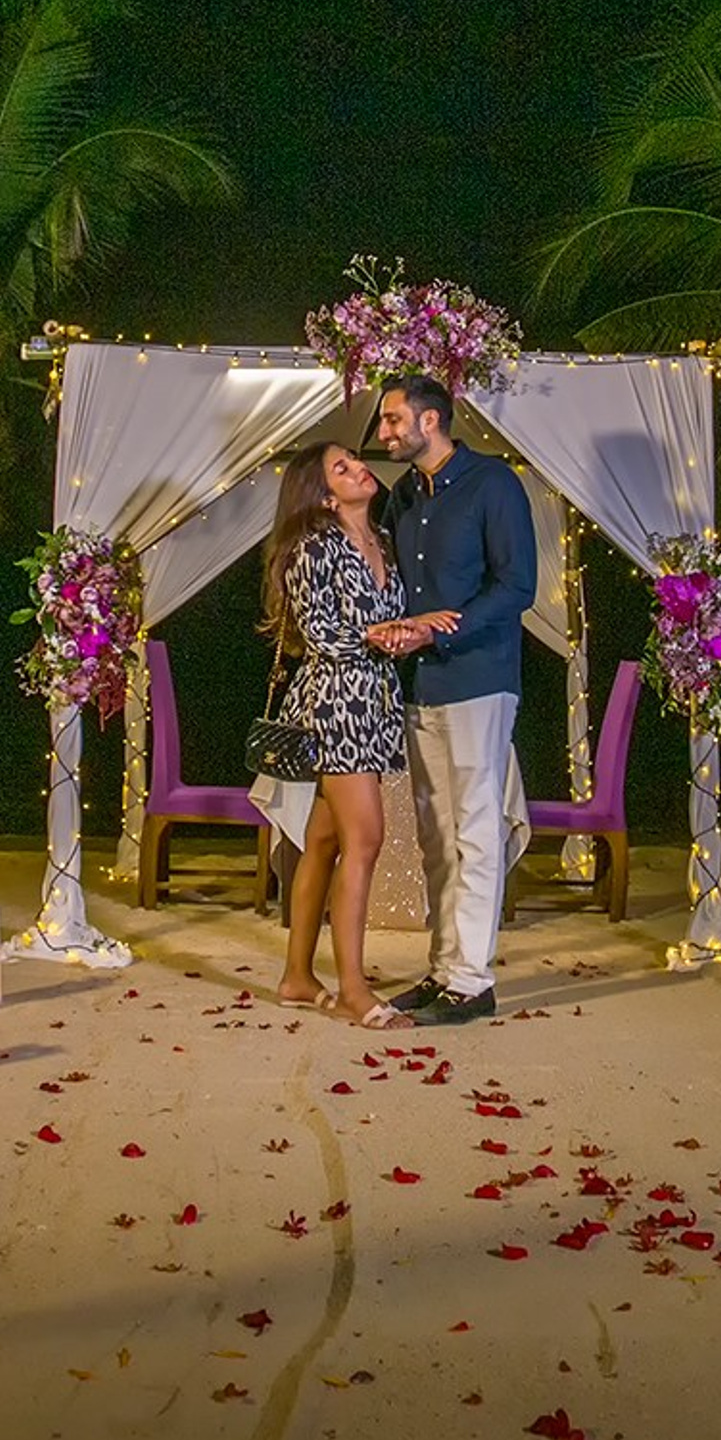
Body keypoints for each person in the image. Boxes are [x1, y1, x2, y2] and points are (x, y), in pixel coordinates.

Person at [262, 440, 457, 1029]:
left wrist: (408, 628)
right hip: (335, 704)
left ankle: (298, 977)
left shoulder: (382, 543)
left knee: (324, 842)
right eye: (341, 469)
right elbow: (321, 633)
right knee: (364, 839)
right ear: (324, 494)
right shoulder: (311, 545)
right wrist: (393, 633)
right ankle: (352, 988)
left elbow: (384, 623)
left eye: (354, 460)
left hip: (373, 702)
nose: (358, 469)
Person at [372, 374, 538, 1026]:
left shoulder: (492, 484)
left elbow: (516, 585)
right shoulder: (406, 496)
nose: (384, 433)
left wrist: (444, 624)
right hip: (423, 685)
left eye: (392, 420)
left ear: (431, 420)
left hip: (479, 678)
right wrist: (390, 627)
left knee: (473, 829)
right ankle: (444, 969)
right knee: (437, 838)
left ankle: (473, 980)